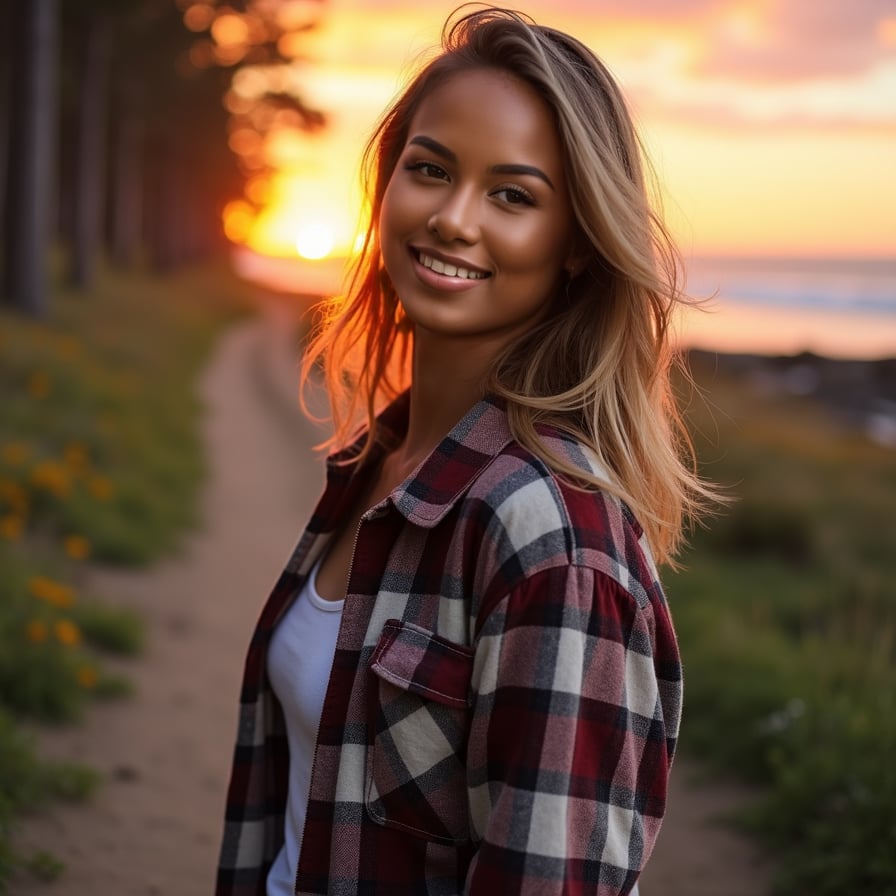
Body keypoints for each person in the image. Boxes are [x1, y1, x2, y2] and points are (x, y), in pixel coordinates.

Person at [217, 6, 717, 895]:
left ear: (573, 247)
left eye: (512, 195)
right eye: (430, 169)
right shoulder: (378, 464)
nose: (452, 219)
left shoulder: (554, 539)